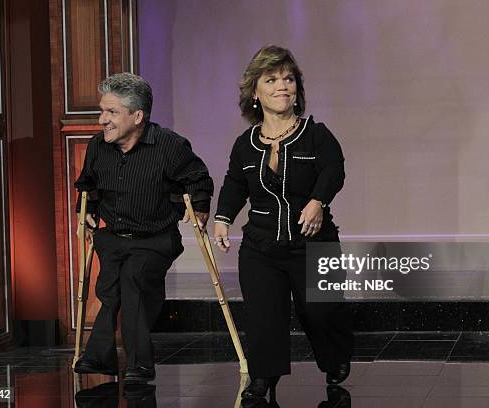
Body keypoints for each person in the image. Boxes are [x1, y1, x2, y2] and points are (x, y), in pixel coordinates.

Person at [214, 45, 353, 400]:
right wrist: (222, 218)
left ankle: (335, 358)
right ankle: (263, 376)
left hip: (312, 243)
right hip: (261, 246)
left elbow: (333, 170)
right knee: (264, 316)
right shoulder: (245, 144)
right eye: (272, 79)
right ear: (255, 92)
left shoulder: (315, 134)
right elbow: (234, 183)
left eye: (289, 79)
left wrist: (318, 201)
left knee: (322, 314)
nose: (283, 86)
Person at [73, 72, 213, 384]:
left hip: (155, 238)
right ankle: (101, 359)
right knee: (108, 291)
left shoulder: (169, 145)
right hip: (113, 237)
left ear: (137, 116)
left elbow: (199, 178)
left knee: (134, 283)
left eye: (111, 112)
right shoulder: (99, 146)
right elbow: (87, 184)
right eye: (102, 110)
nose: (102, 120)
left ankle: (139, 364)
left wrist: (200, 207)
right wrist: (87, 210)